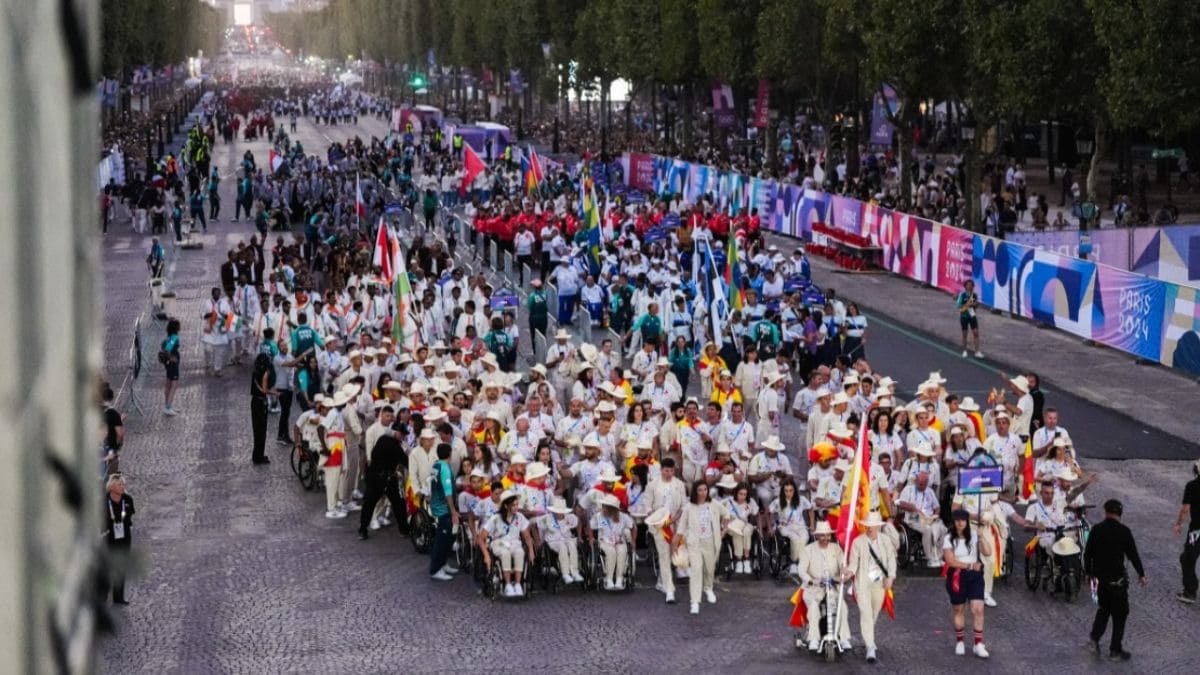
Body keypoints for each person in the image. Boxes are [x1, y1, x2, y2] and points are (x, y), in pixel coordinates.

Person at [1084, 499, 1147, 661]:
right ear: (1120, 513)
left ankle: (1094, 639)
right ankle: (1115, 650)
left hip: (1100, 580)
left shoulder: (1097, 530)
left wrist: (1089, 573)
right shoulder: (1124, 532)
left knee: (1104, 609)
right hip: (1117, 581)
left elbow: (1087, 553)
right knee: (1120, 614)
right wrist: (1141, 574)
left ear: (1106, 512)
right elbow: (1133, 555)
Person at [845, 513, 896, 663]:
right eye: (867, 526)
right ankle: (870, 646)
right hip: (862, 582)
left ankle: (868, 636)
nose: (870, 529)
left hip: (879, 582)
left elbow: (891, 560)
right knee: (865, 613)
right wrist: (848, 573)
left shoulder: (886, 541)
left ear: (878, 527)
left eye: (872, 526)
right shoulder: (858, 542)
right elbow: (853, 564)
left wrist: (891, 577)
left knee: (874, 613)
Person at [943, 509, 992, 658]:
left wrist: (982, 537)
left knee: (978, 609)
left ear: (967, 522)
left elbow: (988, 552)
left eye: (963, 520)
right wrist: (969, 566)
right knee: (959, 609)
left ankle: (978, 644)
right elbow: (950, 561)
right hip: (957, 576)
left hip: (975, 576)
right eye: (957, 520)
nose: (960, 523)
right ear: (954, 522)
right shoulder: (948, 538)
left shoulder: (974, 537)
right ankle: (960, 641)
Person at [674, 480, 728, 615]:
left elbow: (726, 514)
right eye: (700, 490)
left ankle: (708, 588)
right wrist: (674, 545)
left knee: (709, 568)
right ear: (695, 492)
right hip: (695, 543)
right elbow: (681, 528)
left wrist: (723, 530)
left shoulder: (713, 504)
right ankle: (695, 601)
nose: (703, 493)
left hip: (711, 541)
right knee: (696, 570)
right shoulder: (688, 507)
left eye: (705, 489)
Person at [796, 521, 850, 651]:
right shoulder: (808, 550)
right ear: (817, 536)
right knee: (814, 607)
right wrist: (812, 580)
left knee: (842, 606)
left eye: (828, 536)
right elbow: (801, 570)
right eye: (822, 536)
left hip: (832, 587)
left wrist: (844, 572)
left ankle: (844, 638)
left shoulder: (836, 549)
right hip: (813, 588)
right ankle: (814, 638)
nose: (825, 538)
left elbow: (843, 565)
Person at [358, 406, 407, 540]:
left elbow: (372, 455)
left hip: (375, 476)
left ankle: (363, 529)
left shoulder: (382, 440)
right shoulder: (394, 446)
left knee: (369, 504)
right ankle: (404, 530)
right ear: (397, 433)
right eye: (402, 435)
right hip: (386, 478)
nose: (403, 438)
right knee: (398, 505)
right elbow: (405, 461)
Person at [478, 490, 536, 597]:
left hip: (514, 543)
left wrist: (531, 551)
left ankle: (518, 584)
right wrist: (486, 556)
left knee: (520, 552)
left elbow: (527, 536)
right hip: (499, 543)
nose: (516, 507)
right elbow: (481, 538)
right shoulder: (495, 518)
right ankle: (508, 585)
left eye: (517, 504)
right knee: (505, 554)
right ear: (506, 506)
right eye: (513, 505)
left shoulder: (519, 517)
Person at [428, 443, 461, 580]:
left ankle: (443, 563)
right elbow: (448, 493)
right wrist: (453, 511)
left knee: (448, 538)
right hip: (444, 509)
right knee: (442, 540)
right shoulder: (446, 469)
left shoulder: (435, 466)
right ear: (449, 455)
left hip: (437, 506)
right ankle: (435, 569)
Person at [102, 473, 135, 605]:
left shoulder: (127, 500)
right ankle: (102, 597)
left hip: (124, 537)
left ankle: (118, 597)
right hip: (108, 537)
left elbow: (130, 516)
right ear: (111, 487)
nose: (122, 487)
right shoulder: (104, 501)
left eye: (123, 484)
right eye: (119, 484)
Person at [1174, 458, 1200, 604]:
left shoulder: (1192, 486)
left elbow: (1185, 509)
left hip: (1197, 531)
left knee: (1188, 559)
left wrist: (1178, 524)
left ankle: (1190, 591)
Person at [250, 353, 276, 465]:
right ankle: (259, 456)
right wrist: (275, 393)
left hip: (254, 402)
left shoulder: (255, 372)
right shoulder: (265, 373)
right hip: (261, 403)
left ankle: (256, 455)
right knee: (262, 430)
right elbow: (265, 390)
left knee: (256, 430)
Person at [955, 280, 982, 359]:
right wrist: (968, 305)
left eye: (971, 285)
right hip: (964, 317)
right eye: (968, 285)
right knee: (964, 334)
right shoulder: (962, 295)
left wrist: (976, 305)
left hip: (972, 316)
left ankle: (977, 351)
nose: (969, 286)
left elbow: (975, 305)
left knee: (976, 333)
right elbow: (958, 305)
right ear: (965, 286)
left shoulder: (975, 295)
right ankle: (964, 351)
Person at [161, 318, 181, 415]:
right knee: (173, 385)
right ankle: (168, 407)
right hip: (173, 365)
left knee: (168, 384)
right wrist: (172, 358)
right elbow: (167, 350)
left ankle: (167, 405)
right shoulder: (174, 338)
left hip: (168, 365)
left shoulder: (169, 337)